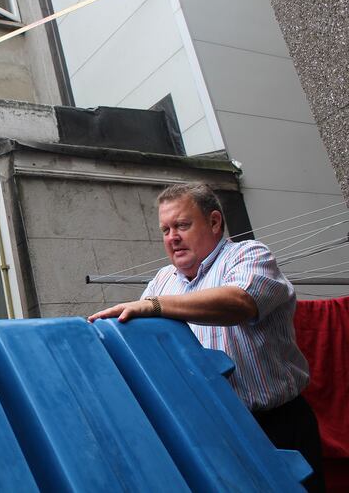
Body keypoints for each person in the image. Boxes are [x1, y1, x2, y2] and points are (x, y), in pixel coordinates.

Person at [88, 182, 324, 492]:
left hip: (273, 426)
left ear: (214, 222)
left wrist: (154, 307)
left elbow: (239, 303)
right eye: (165, 230)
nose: (172, 238)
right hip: (207, 434)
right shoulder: (162, 280)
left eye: (182, 225)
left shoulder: (249, 255)